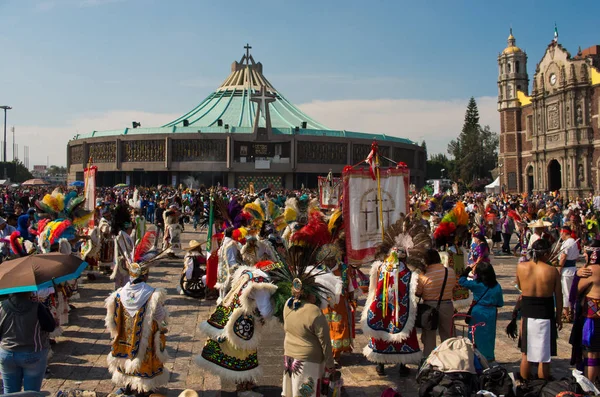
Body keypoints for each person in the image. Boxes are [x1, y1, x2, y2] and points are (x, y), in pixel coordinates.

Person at [195, 263, 277, 397]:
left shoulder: (247, 274)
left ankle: (246, 384)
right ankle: (244, 389)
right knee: (242, 354)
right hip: (241, 323)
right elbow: (266, 311)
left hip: (230, 316)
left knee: (240, 351)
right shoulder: (262, 285)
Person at [105, 261, 169, 395]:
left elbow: (112, 320)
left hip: (125, 339)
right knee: (141, 362)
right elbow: (160, 316)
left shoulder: (119, 293)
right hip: (143, 340)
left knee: (128, 361)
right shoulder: (152, 294)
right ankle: (142, 390)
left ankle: (129, 386)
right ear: (145, 276)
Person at [516, 239, 562, 380]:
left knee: (526, 353)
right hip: (545, 313)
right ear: (547, 253)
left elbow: (520, 287)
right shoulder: (552, 271)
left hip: (527, 312)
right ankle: (542, 385)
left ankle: (524, 384)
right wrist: (559, 317)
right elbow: (559, 297)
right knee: (544, 356)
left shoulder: (521, 267)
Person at [0, 292, 56, 393]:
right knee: (31, 393)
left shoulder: (2, 306)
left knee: (9, 392)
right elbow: (50, 326)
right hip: (33, 353)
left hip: (7, 354)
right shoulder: (38, 307)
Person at [459, 261, 504, 361]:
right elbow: (500, 303)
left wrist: (468, 269)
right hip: (491, 313)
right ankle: (488, 357)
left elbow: (461, 281)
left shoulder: (477, 285)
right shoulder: (497, 286)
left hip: (477, 312)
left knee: (474, 335)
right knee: (489, 336)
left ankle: (474, 357)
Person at [416, 249, 456, 358]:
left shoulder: (423, 275)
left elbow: (418, 292)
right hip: (447, 305)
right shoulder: (450, 271)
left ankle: (429, 360)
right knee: (448, 335)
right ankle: (450, 359)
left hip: (429, 307)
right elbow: (453, 287)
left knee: (429, 337)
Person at [570, 239, 600, 382]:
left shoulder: (591, 270)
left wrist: (577, 275)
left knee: (591, 353)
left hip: (593, 318)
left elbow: (575, 292)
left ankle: (591, 387)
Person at [559, 226, 580, 323]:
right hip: (573, 269)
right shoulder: (574, 242)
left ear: (564, 233)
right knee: (572, 291)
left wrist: (559, 269)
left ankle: (566, 313)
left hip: (567, 270)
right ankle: (572, 311)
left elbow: (563, 257)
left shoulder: (567, 242)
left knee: (566, 292)